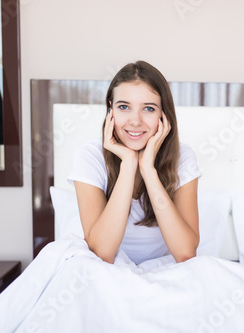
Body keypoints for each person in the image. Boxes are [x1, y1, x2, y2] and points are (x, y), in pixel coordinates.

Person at [68, 60, 201, 265]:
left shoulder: (182, 157)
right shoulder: (89, 156)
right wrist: (128, 164)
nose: (135, 121)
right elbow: (102, 253)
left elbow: (185, 253)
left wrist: (148, 169)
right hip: (107, 272)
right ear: (110, 110)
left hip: (165, 272)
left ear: (163, 115)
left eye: (148, 108)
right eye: (124, 107)